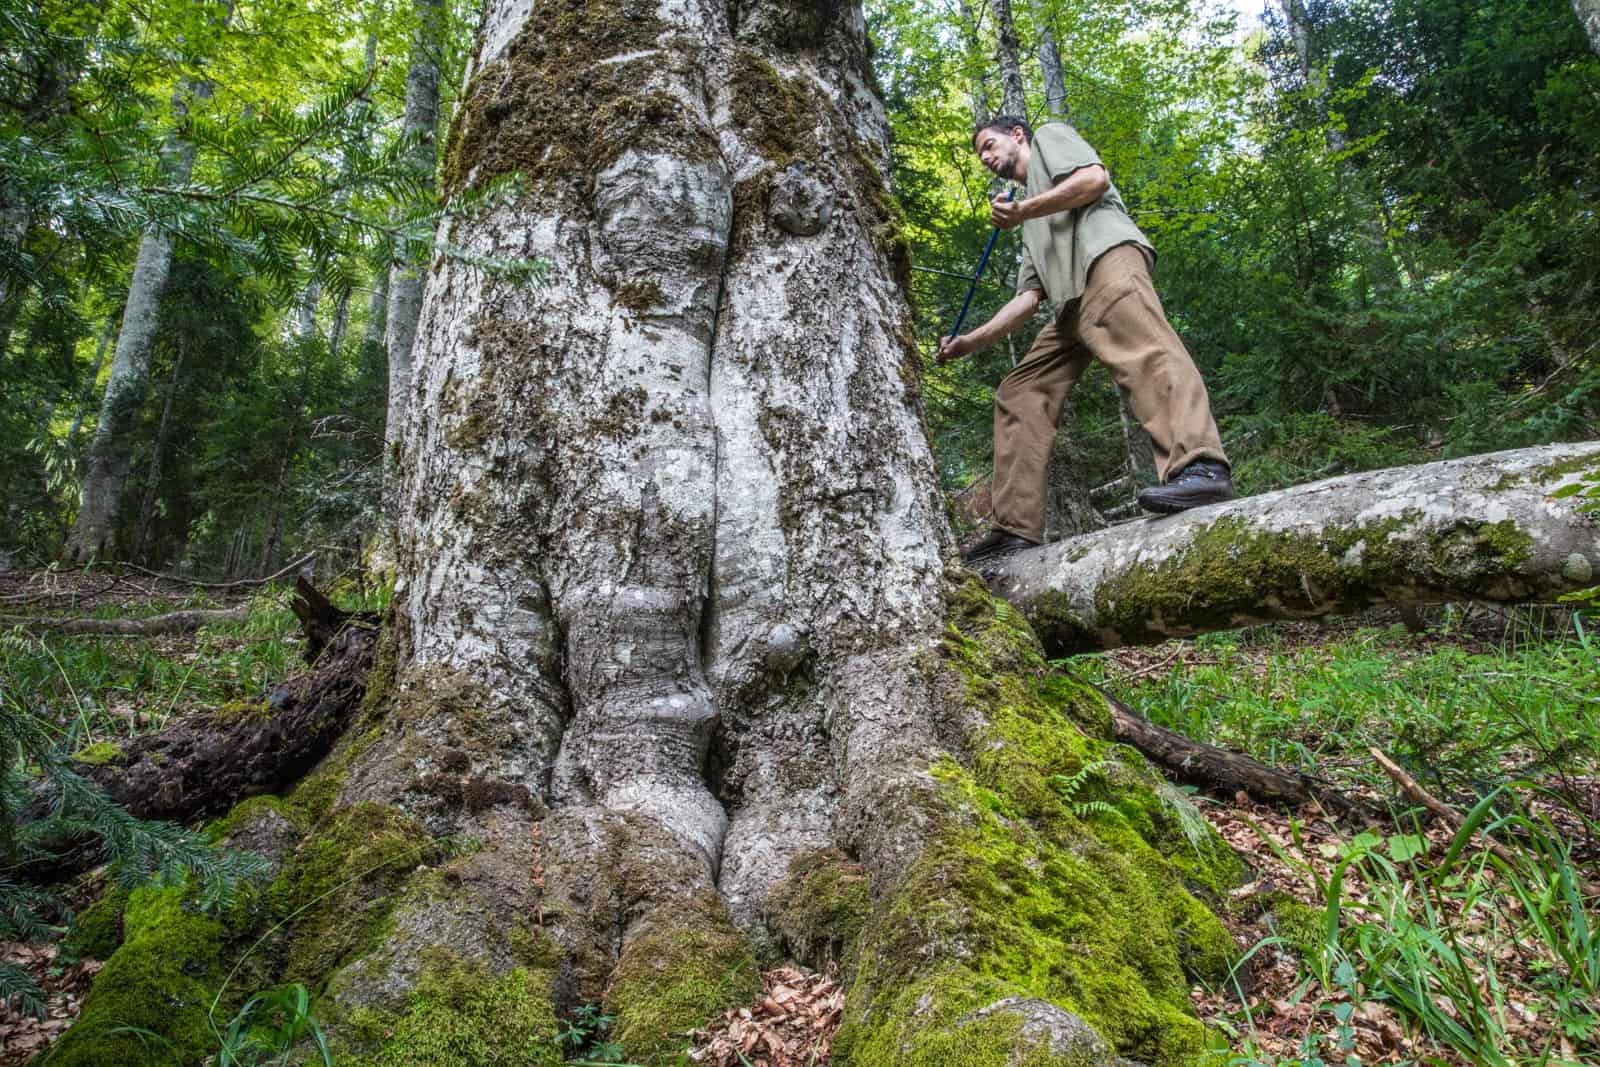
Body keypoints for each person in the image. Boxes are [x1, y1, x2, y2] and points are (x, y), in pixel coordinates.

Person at [940, 116, 1233, 564]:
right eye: (980, 154)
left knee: (1145, 353)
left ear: (1017, 135)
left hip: (1104, 261)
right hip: (1068, 306)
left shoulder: (1048, 138)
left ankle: (1200, 466)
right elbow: (1026, 299)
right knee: (1020, 392)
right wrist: (967, 343)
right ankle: (1014, 529)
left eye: (989, 145)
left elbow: (1094, 180)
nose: (985, 157)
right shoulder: (1030, 226)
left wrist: (1023, 211)